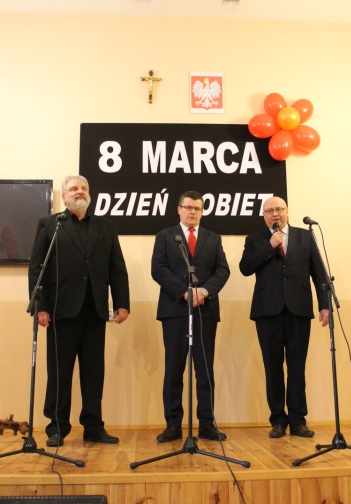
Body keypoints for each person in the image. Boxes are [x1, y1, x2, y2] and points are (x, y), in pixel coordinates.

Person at [28, 175, 130, 447]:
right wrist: (41, 306)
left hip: (95, 311)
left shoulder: (105, 226)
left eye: (84, 188)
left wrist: (122, 302)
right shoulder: (51, 225)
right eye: (74, 188)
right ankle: (56, 427)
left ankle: (93, 426)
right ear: (64, 196)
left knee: (93, 373)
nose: (80, 192)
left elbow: (116, 267)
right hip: (61, 311)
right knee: (59, 373)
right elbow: (38, 268)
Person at [239, 196, 329, 439]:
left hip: (298, 309)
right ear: (264, 216)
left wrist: (324, 305)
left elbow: (318, 272)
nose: (275, 214)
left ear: (287, 211)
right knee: (273, 368)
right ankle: (278, 420)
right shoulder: (255, 239)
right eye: (269, 211)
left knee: (297, 368)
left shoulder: (305, 236)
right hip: (267, 312)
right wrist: (269, 246)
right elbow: (245, 268)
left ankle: (298, 421)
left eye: (279, 209)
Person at [151, 190, 230, 442]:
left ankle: (206, 424)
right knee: (174, 369)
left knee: (205, 370)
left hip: (205, 311)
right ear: (179, 209)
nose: (192, 212)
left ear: (202, 212)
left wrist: (204, 291)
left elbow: (223, 270)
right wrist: (184, 292)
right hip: (175, 311)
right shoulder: (165, 236)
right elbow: (158, 269)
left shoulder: (213, 238)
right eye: (188, 207)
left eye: (197, 208)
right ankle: (173, 425)